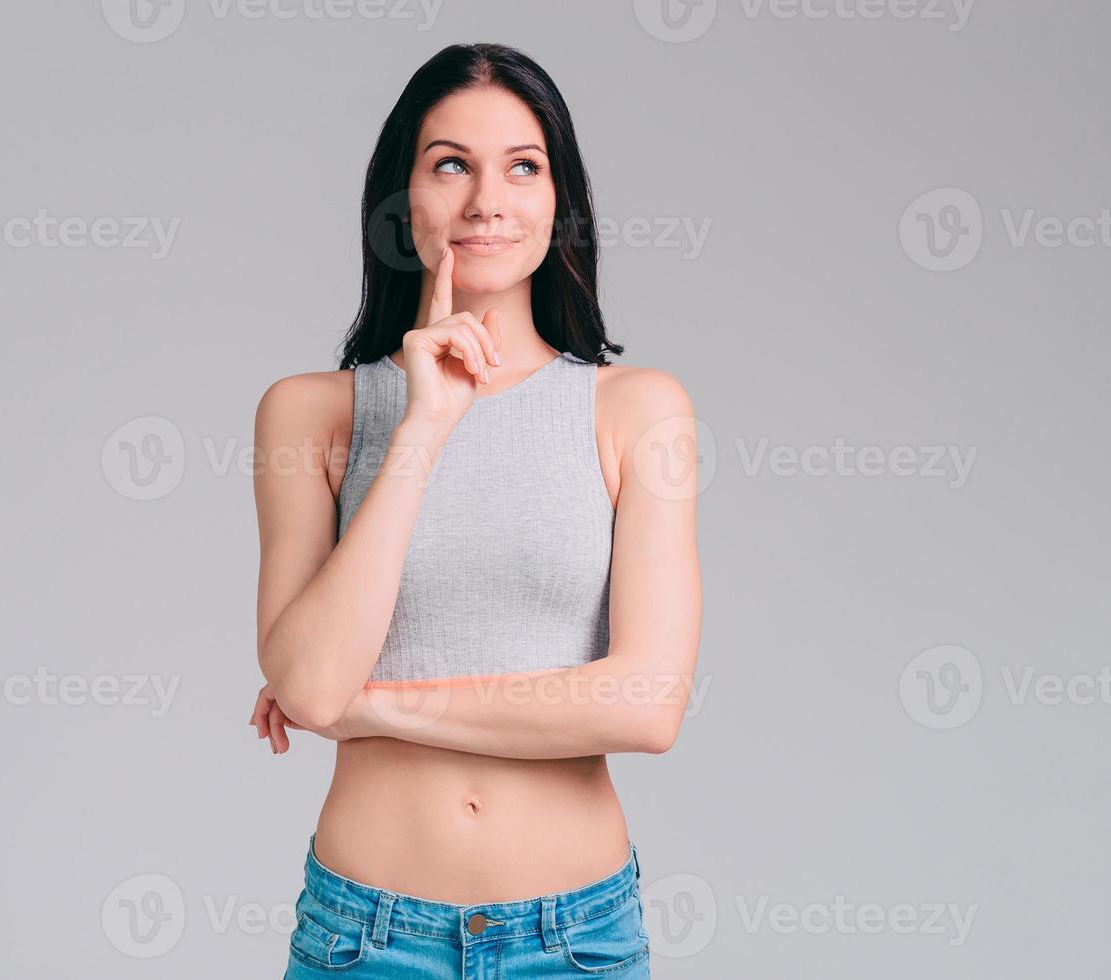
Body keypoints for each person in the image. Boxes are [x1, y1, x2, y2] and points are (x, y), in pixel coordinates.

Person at [251, 42, 702, 978]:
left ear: (557, 204)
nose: (486, 200)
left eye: (522, 167)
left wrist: (366, 706)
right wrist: (420, 430)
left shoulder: (637, 410)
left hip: (574, 941)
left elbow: (646, 703)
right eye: (449, 163)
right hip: (363, 938)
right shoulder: (309, 414)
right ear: (399, 203)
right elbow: (305, 683)